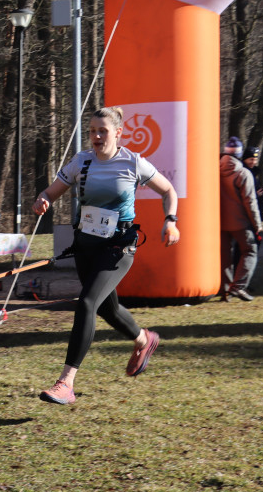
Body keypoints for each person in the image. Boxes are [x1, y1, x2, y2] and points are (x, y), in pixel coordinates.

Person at [31, 107, 180, 405]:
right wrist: (43, 199)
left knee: (86, 303)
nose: (97, 137)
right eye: (92, 131)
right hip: (85, 245)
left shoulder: (133, 162)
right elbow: (51, 191)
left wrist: (171, 220)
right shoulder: (81, 161)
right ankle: (144, 340)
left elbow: (168, 191)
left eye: (103, 131)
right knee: (107, 309)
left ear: (119, 133)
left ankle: (66, 383)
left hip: (118, 247)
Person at [220, 137, 261, 302]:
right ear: (239, 154)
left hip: (219, 222)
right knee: (250, 250)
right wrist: (257, 225)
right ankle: (238, 287)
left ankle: (224, 291)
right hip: (240, 223)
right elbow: (250, 202)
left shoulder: (213, 171)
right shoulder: (243, 173)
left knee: (224, 257)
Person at [241, 145, 263, 223]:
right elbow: (243, 195)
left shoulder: (253, 172)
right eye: (251, 159)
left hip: (254, 214)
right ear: (245, 159)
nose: (253, 162)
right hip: (246, 216)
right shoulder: (243, 173)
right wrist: (256, 195)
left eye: (255, 160)